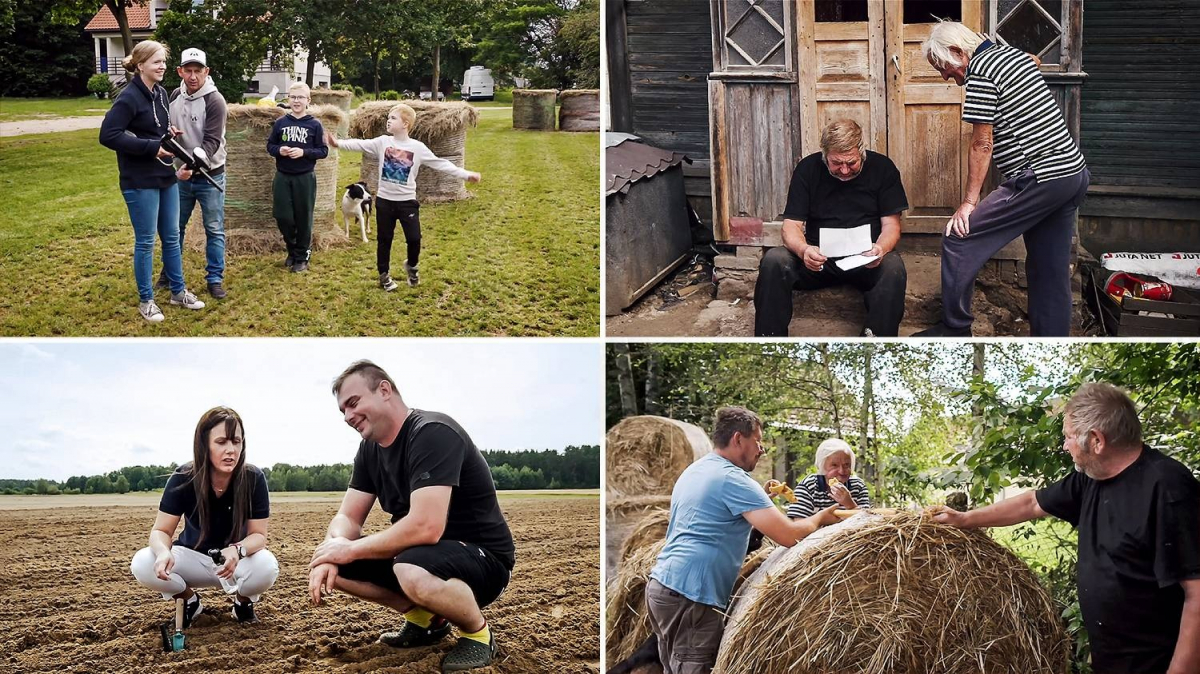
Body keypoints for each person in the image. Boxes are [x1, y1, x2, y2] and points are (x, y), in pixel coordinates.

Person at [933, 383, 1200, 674]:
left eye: (1069, 437)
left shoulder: (1167, 488)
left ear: (1096, 441)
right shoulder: (1092, 478)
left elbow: (1197, 593)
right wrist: (964, 519)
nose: (1065, 445)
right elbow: (1031, 504)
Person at [308, 360, 514, 672]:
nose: (348, 416)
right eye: (343, 410)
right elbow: (348, 518)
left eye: (353, 403)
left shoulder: (432, 433)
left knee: (409, 567)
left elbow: (426, 527)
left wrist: (348, 549)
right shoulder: (369, 451)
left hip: (484, 561)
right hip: (421, 558)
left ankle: (478, 634)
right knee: (340, 566)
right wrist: (331, 549)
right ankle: (426, 622)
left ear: (384, 390)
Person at [914, 21, 1090, 337]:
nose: (946, 77)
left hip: (1040, 177)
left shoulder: (980, 72)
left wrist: (969, 203)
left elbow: (982, 143)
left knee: (958, 238)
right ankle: (1051, 344)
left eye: (943, 67)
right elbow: (1034, 59)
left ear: (958, 52)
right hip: (1072, 174)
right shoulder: (1012, 56)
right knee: (1049, 271)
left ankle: (955, 330)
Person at [646, 406, 840, 674]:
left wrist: (761, 499)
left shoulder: (697, 469)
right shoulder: (733, 478)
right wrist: (820, 517)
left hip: (664, 588)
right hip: (692, 595)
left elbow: (714, 518)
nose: (761, 450)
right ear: (738, 439)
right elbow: (789, 535)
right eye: (757, 442)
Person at [754, 119, 909, 337]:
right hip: (819, 260)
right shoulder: (807, 169)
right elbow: (791, 226)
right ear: (825, 155)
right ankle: (769, 341)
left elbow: (892, 225)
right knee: (774, 260)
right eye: (836, 163)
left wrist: (880, 249)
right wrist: (804, 250)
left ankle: (875, 345)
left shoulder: (883, 169)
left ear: (861, 152)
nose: (844, 170)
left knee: (893, 267)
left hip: (865, 260)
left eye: (851, 163)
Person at [130, 407, 278, 625]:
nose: (231, 450)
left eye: (236, 441)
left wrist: (237, 550)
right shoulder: (183, 478)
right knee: (143, 562)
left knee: (266, 566)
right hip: (191, 557)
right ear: (204, 444)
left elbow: (259, 535)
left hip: (234, 561)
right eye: (221, 442)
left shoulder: (253, 478)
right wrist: (163, 552)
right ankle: (189, 601)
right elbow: (161, 530)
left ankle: (242, 604)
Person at [99, 40, 206, 322]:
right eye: (157, 62)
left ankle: (178, 292)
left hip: (164, 175)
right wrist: (152, 147)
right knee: (146, 241)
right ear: (140, 65)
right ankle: (147, 300)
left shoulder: (160, 93)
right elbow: (108, 135)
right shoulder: (128, 97)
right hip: (138, 179)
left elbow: (153, 127)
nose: (162, 67)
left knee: (171, 237)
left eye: (163, 62)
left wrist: (168, 133)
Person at [325, 104, 481, 290]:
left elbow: (441, 164)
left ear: (405, 123)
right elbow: (360, 144)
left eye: (393, 118)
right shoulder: (382, 142)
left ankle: (412, 266)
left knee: (414, 239)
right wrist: (338, 143)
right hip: (384, 202)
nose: (388, 121)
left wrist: (466, 175)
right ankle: (384, 275)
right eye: (388, 117)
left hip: (407, 203)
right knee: (384, 240)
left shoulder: (417, 148)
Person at [157, 47, 229, 300]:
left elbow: (212, 141)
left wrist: (193, 164)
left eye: (198, 71)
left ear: (206, 71)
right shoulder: (175, 95)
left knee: (214, 228)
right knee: (174, 227)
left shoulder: (215, 100)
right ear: (180, 71)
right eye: (188, 70)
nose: (193, 76)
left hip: (211, 173)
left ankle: (214, 278)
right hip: (181, 176)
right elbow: (166, 129)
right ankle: (169, 273)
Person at [267, 81, 328, 273]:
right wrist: (280, 150)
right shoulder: (281, 123)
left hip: (304, 177)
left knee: (303, 217)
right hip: (283, 176)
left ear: (308, 100)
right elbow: (270, 146)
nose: (296, 101)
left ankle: (302, 256)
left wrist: (304, 153)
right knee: (282, 215)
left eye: (301, 97)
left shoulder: (315, 124)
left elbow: (323, 151)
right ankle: (292, 248)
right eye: (293, 97)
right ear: (288, 99)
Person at [785, 438, 872, 519]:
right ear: (822, 466)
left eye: (846, 465)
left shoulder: (858, 486)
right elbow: (797, 523)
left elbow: (868, 522)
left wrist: (850, 504)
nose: (841, 471)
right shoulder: (809, 485)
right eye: (834, 465)